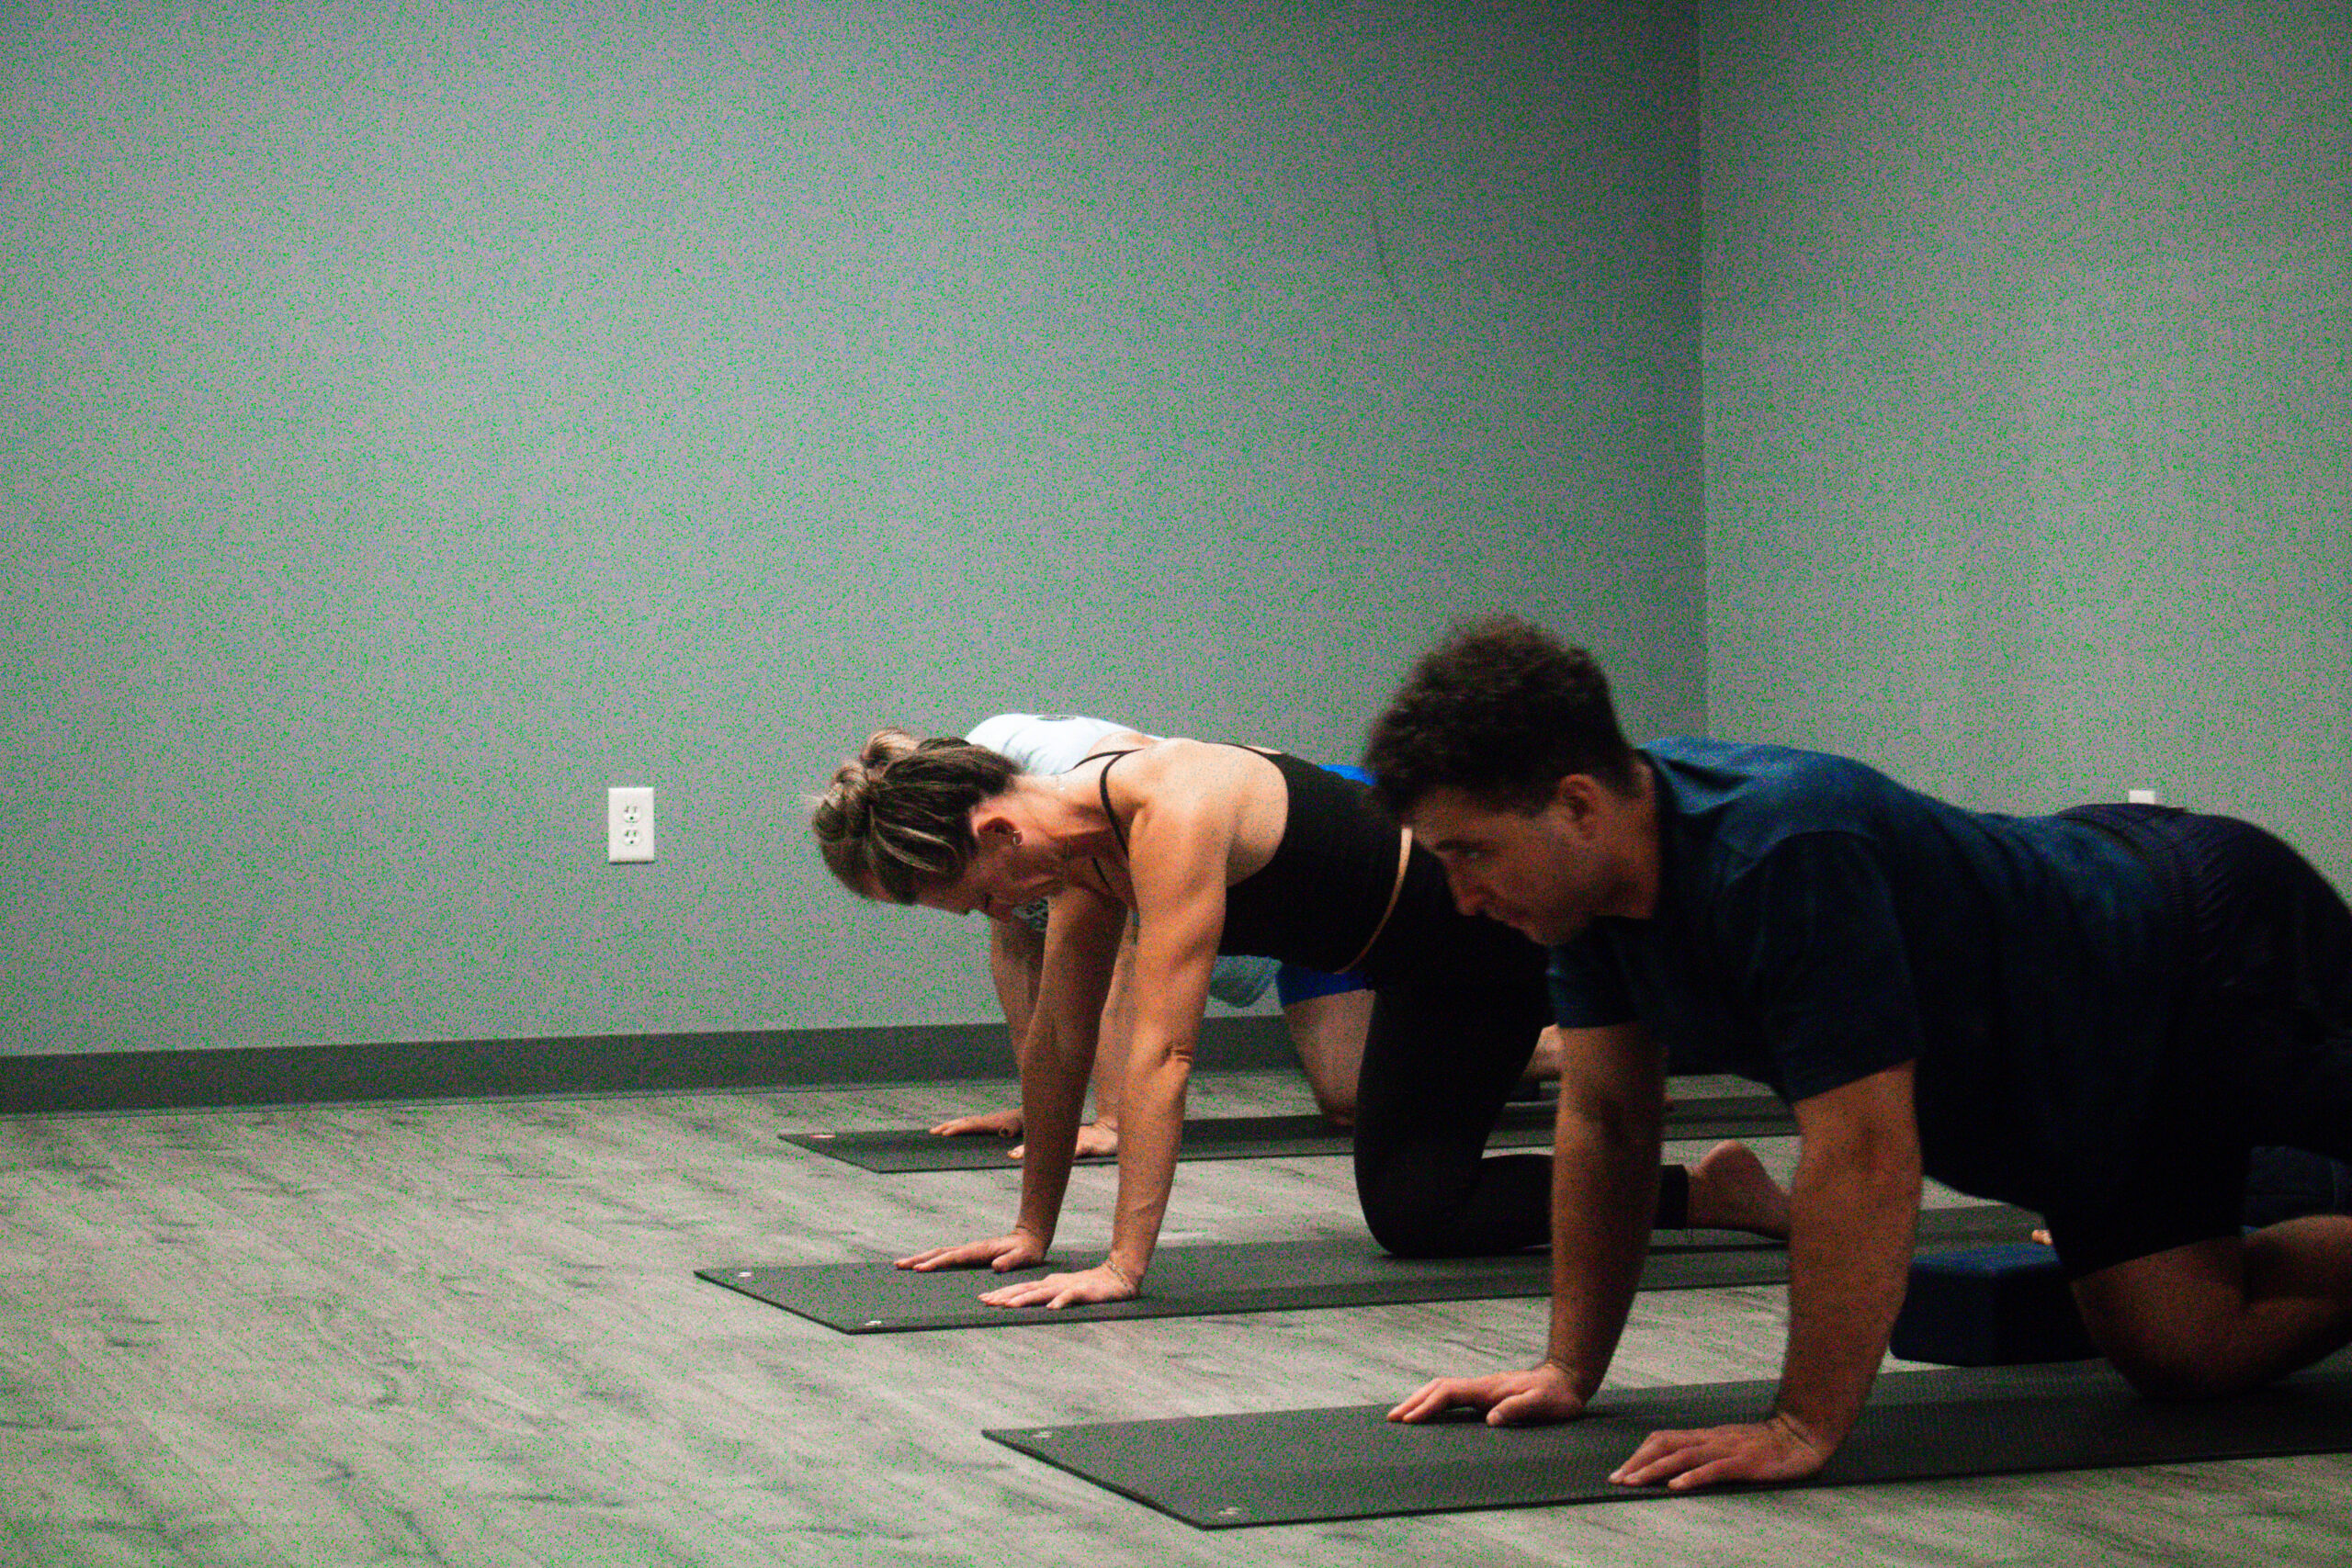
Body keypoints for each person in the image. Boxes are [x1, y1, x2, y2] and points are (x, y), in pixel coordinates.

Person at [1366, 615, 2352, 1493]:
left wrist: (1801, 1426)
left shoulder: (1781, 850)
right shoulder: (1583, 903)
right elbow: (1608, 1120)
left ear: (1577, 805)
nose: (1462, 896)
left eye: (1471, 854)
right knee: (2181, 1352)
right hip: (2089, 1081)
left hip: (2204, 952)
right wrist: (1567, 1371)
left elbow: (1867, 1157)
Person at [808, 728, 1789, 1311]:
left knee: (1739, 1033)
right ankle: (1707, 1193)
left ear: (996, 830)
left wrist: (1121, 1265)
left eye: (979, 897)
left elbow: (1162, 1052)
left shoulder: (1167, 806)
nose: (995, 915)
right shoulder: (1079, 860)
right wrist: (1030, 1229)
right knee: (1415, 1213)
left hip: (1509, 930)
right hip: (1428, 975)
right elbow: (1059, 1046)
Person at [933, 713, 1380, 1156]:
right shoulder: (986, 798)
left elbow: (1123, 961)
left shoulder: (1056, 779)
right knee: (1346, 1103)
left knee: (1364, 1102)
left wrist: (1112, 1122)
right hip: (1272, 900)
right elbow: (1019, 955)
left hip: (1328, 841)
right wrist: (1043, 1111)